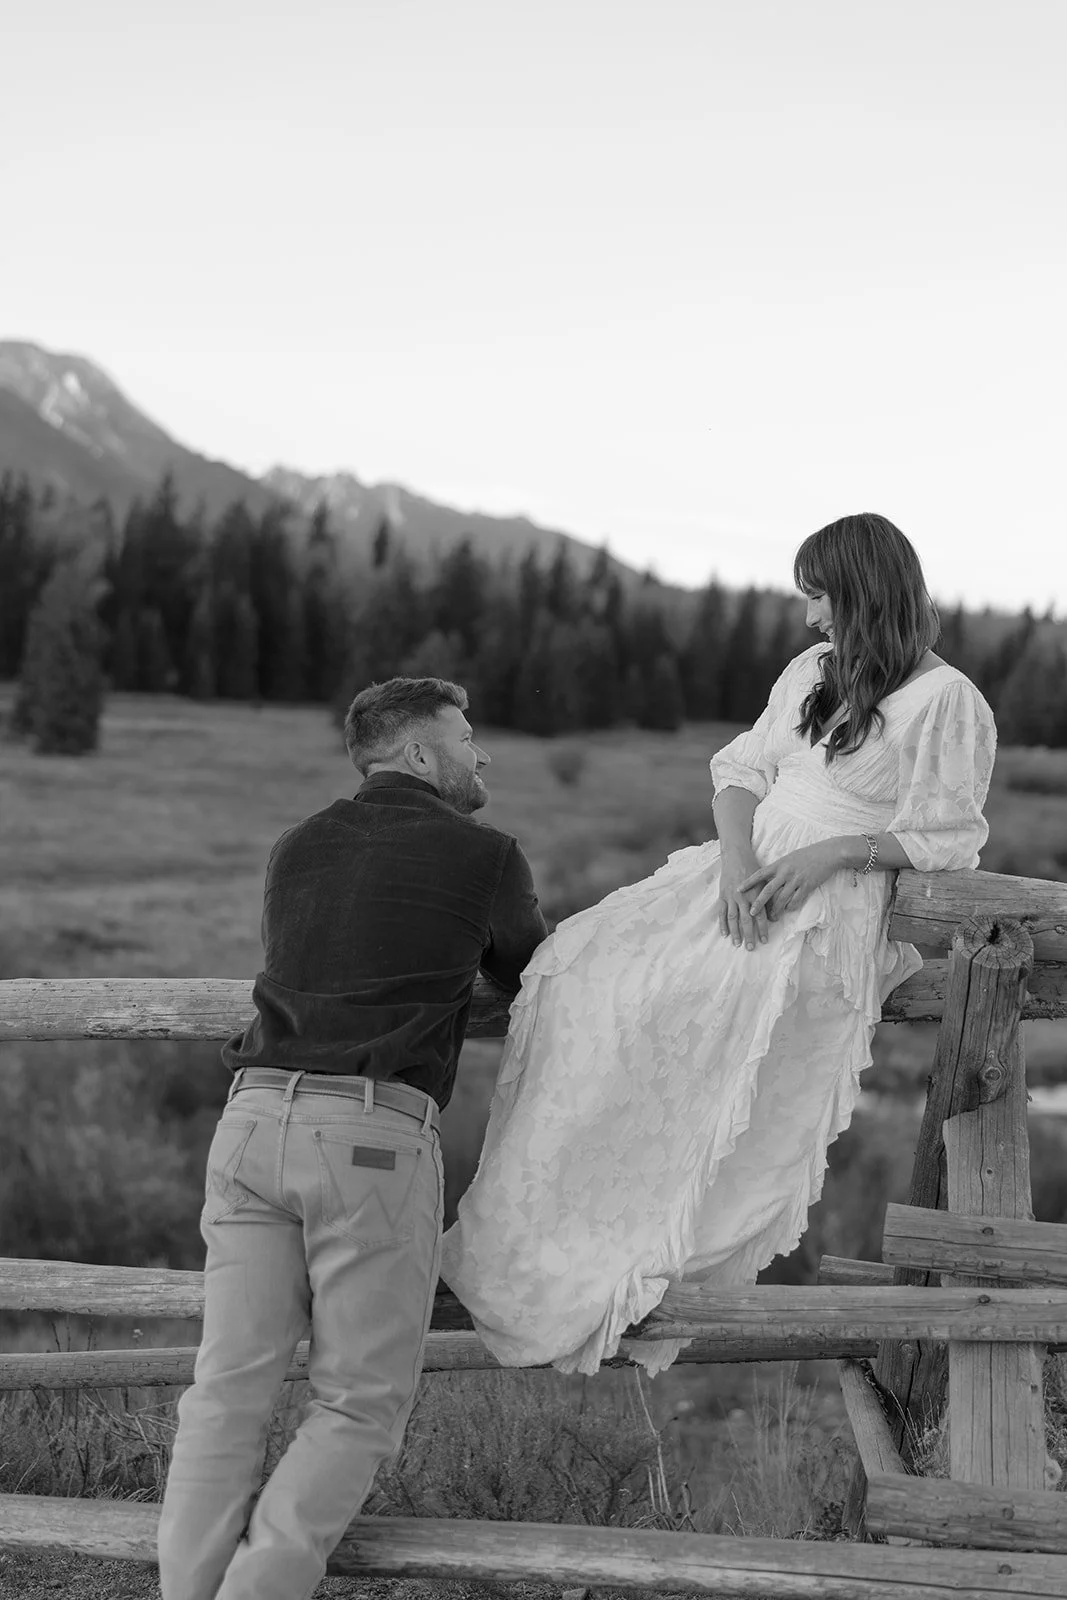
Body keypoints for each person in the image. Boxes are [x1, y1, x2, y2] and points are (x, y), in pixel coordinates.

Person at [440, 513, 997, 1376]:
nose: (811, 617)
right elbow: (740, 770)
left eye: (819, 597)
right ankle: (555, 1222)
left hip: (830, 896)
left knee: (717, 1050)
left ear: (860, 593)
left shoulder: (945, 699)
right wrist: (738, 860)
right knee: (578, 974)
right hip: (740, 871)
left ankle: (643, 1252)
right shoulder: (814, 670)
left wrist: (826, 855)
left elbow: (947, 838)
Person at [158, 677, 547, 1600]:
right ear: (417, 754)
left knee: (227, 1390)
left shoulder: (296, 845)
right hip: (367, 1138)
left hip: (250, 1120)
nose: (479, 754)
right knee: (358, 1402)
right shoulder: (484, 855)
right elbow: (533, 967)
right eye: (464, 737)